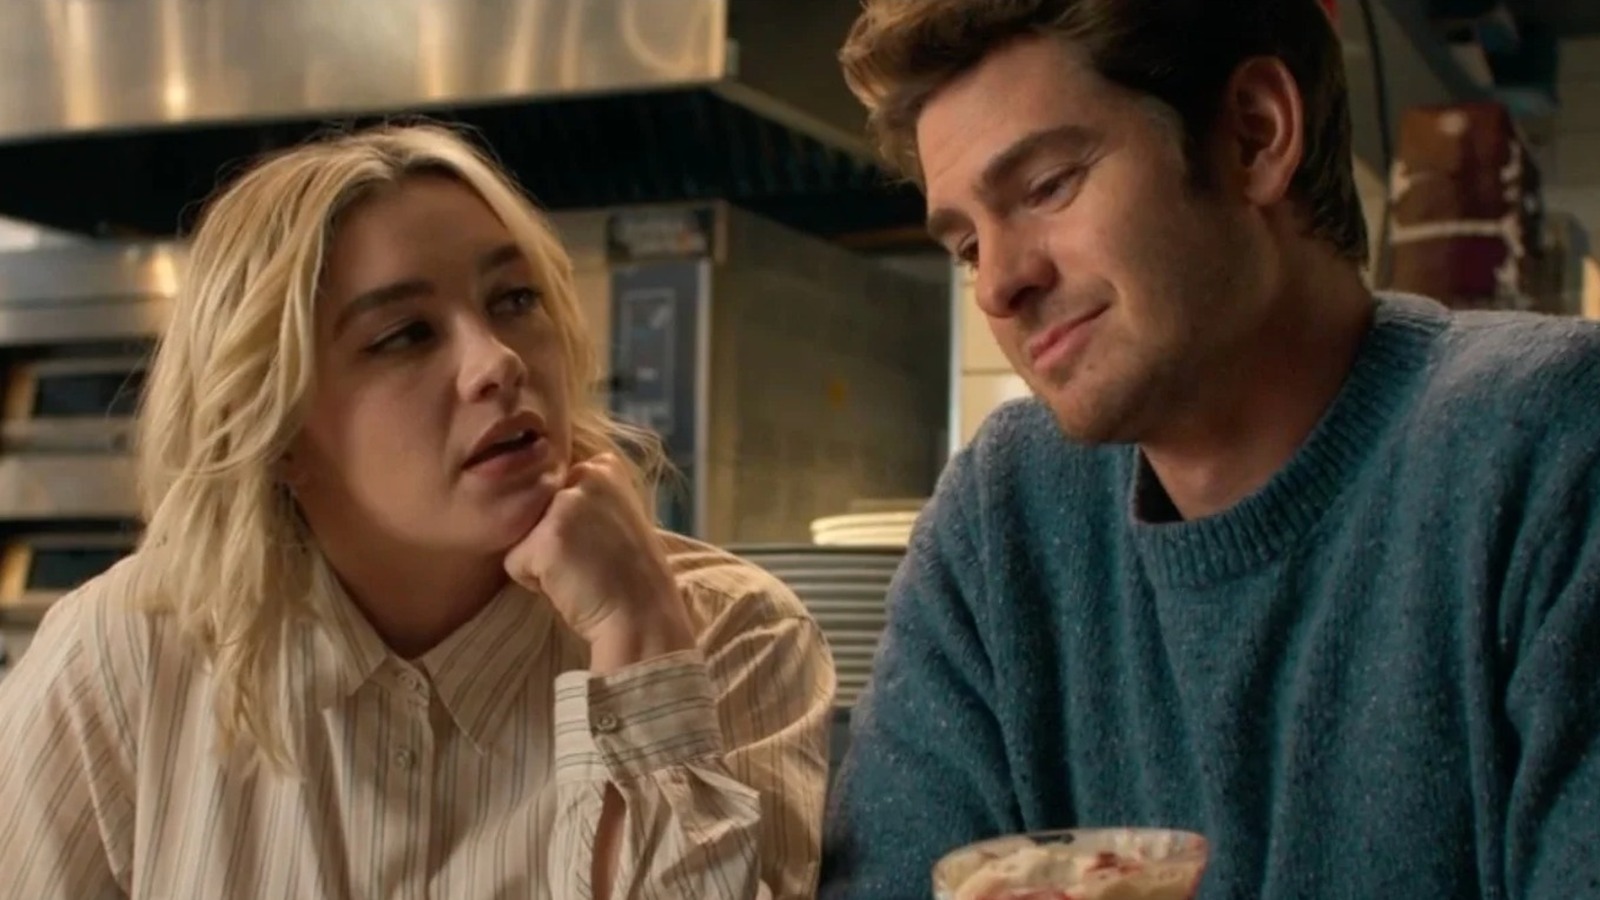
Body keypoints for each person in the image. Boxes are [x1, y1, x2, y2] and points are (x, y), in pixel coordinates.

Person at [820, 1, 1600, 898]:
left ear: (1255, 136)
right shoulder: (1002, 519)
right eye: (966, 246)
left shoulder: (1550, 444)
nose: (998, 283)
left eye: (1047, 187)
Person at [0, 123, 835, 899]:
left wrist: (638, 639)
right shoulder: (123, 657)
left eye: (514, 299)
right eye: (404, 334)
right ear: (276, 431)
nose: (496, 361)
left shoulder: (733, 637)